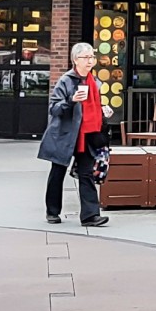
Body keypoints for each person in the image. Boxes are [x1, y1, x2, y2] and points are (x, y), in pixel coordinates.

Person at [39, 42, 112, 227]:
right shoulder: (66, 80)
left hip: (87, 134)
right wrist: (71, 101)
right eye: (85, 57)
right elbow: (54, 108)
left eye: (92, 57)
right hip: (65, 135)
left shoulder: (95, 82)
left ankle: (90, 216)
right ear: (75, 60)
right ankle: (52, 211)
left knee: (86, 174)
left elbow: (93, 108)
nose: (90, 61)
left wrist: (103, 110)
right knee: (57, 173)